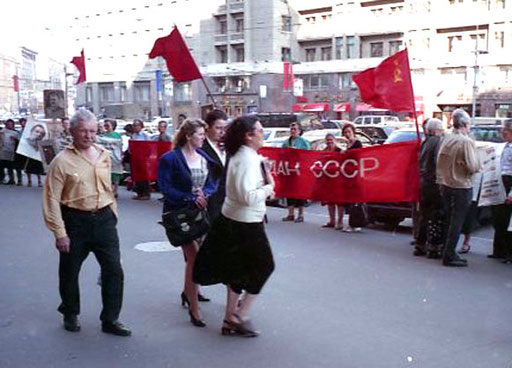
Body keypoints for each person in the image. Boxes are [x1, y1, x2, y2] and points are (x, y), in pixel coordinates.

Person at [42, 110, 130, 336]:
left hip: (104, 220)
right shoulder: (61, 162)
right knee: (70, 271)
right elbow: (51, 199)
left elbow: (108, 187)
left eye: (92, 131)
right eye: (83, 131)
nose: (89, 135)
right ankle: (70, 312)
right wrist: (59, 232)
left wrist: (112, 213)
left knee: (114, 271)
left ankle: (110, 319)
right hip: (75, 222)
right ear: (71, 131)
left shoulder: (103, 155)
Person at [193, 115, 275, 337]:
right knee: (265, 266)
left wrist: (262, 169)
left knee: (238, 270)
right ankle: (241, 314)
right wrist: (269, 187)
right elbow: (248, 196)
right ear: (248, 136)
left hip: (234, 219)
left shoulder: (244, 156)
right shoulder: (246, 159)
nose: (263, 133)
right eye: (259, 130)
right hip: (246, 222)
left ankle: (230, 319)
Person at [157, 119, 219, 327]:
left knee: (194, 259)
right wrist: (189, 198)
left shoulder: (203, 157)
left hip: (199, 214)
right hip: (179, 214)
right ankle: (194, 309)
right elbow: (165, 187)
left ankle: (187, 293)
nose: (203, 138)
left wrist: (205, 194)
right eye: (200, 135)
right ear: (188, 136)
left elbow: (213, 182)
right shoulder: (170, 159)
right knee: (195, 257)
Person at [436, 109, 481, 267]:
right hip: (461, 184)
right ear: (464, 124)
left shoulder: (446, 138)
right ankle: (449, 254)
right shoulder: (465, 141)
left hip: (445, 183)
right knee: (457, 221)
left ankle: (445, 249)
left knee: (450, 218)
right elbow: (474, 165)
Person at [413, 118, 444, 258]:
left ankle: (420, 244)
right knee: (435, 215)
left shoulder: (425, 142)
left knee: (424, 215)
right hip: (433, 183)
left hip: (424, 181)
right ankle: (433, 247)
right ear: (435, 130)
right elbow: (438, 162)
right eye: (441, 129)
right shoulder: (437, 142)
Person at [489, 121, 512, 263]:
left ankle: (509, 252)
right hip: (500, 181)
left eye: (506, 130)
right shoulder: (503, 147)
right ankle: (498, 250)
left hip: (509, 183)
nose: (503, 132)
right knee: (498, 218)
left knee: (508, 221)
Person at [202, 109, 228, 220]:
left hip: (228, 203)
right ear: (208, 128)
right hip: (210, 202)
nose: (222, 132)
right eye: (218, 128)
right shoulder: (201, 147)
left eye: (224, 128)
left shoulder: (228, 146)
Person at [281, 122, 310, 223]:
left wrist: (297, 151)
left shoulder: (304, 142)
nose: (293, 131)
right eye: (291, 129)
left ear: (299, 131)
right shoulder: (286, 142)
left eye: (295, 129)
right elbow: (281, 154)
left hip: (299, 171)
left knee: (299, 193)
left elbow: (308, 155)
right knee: (289, 192)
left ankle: (301, 214)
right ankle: (291, 213)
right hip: (289, 170)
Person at [341, 123, 363, 232]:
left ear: (353, 132)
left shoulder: (357, 143)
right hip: (348, 174)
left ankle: (354, 224)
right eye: (345, 132)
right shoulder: (348, 144)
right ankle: (353, 223)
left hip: (355, 174)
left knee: (354, 200)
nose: (347, 134)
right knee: (350, 200)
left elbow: (358, 156)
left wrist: (346, 153)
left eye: (349, 132)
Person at [320, 133, 344, 229]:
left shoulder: (339, 151)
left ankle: (340, 221)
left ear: (335, 140)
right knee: (330, 201)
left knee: (339, 201)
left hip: (338, 179)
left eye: (331, 139)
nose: (329, 142)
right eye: (328, 140)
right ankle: (332, 221)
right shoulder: (324, 151)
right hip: (328, 179)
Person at [100, 119, 123, 198]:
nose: (106, 127)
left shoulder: (117, 135)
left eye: (108, 125)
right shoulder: (103, 135)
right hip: (105, 157)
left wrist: (121, 155)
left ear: (112, 126)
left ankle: (115, 191)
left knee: (115, 174)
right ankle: (108, 190)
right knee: (106, 174)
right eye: (105, 125)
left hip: (115, 157)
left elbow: (120, 146)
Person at [130, 119, 151, 200]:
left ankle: (146, 193)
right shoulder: (133, 135)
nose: (135, 127)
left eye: (136, 125)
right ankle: (139, 193)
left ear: (141, 126)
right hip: (135, 158)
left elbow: (149, 147)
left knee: (144, 176)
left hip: (143, 158)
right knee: (137, 176)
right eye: (134, 125)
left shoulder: (145, 135)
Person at [0, 119, 19, 185]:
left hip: (11, 151)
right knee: (1, 167)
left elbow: (19, 142)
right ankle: (1, 179)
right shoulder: (2, 131)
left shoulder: (15, 133)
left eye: (11, 124)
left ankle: (12, 179)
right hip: (2, 151)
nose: (9, 125)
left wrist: (15, 139)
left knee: (10, 167)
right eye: (8, 124)